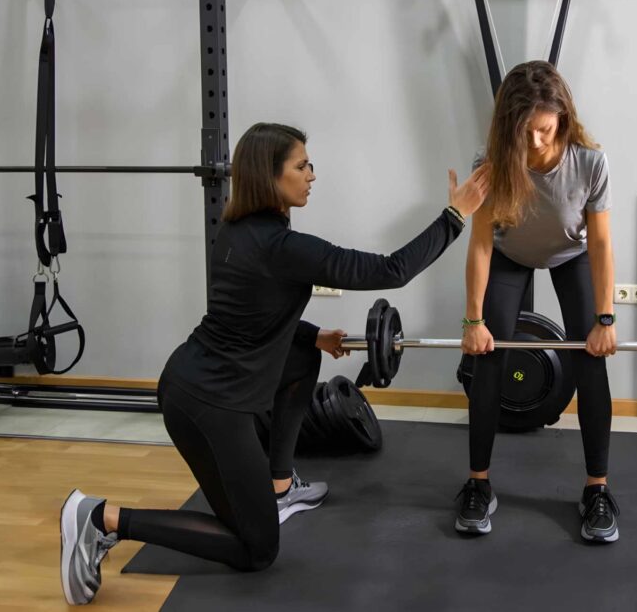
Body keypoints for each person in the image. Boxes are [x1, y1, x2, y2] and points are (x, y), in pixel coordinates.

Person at [59, 122, 489, 605]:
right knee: (257, 548)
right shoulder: (284, 248)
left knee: (302, 356)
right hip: (210, 407)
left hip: (191, 381)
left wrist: (312, 335)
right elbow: (392, 270)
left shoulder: (237, 231)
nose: (312, 175)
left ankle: (280, 486)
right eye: (301, 166)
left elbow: (249, 313)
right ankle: (101, 520)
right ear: (270, 175)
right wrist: (455, 215)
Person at [456, 60, 620, 543]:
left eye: (544, 130)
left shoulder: (590, 163)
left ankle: (597, 489)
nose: (534, 142)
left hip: (571, 255)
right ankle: (478, 484)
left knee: (590, 361)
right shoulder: (490, 165)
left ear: (562, 118)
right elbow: (480, 245)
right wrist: (473, 321)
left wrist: (605, 318)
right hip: (509, 256)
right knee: (487, 360)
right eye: (524, 131)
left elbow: (601, 245)